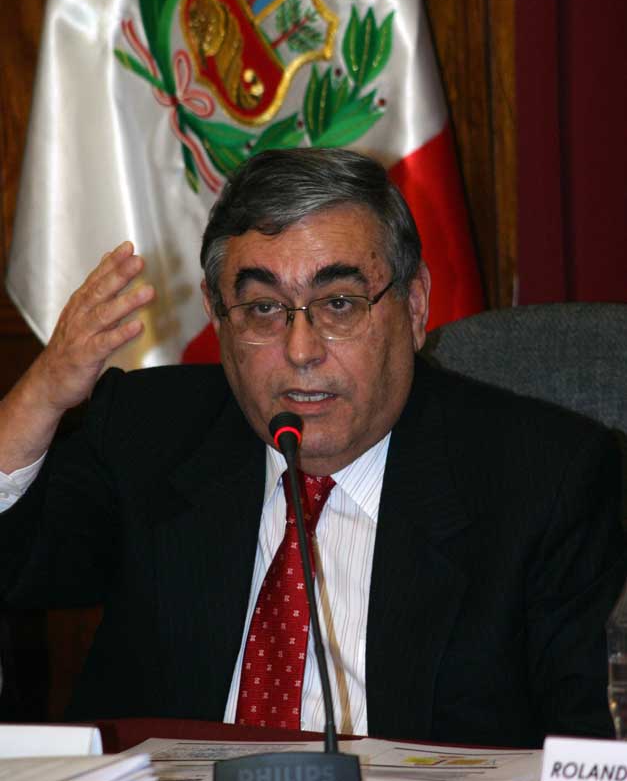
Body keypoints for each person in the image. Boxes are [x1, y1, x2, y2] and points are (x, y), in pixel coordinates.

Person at [0, 147, 624, 747]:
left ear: (414, 307)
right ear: (219, 317)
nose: (301, 350)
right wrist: (41, 395)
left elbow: (594, 744)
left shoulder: (546, 481)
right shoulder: (149, 432)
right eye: (263, 308)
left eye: (339, 304)